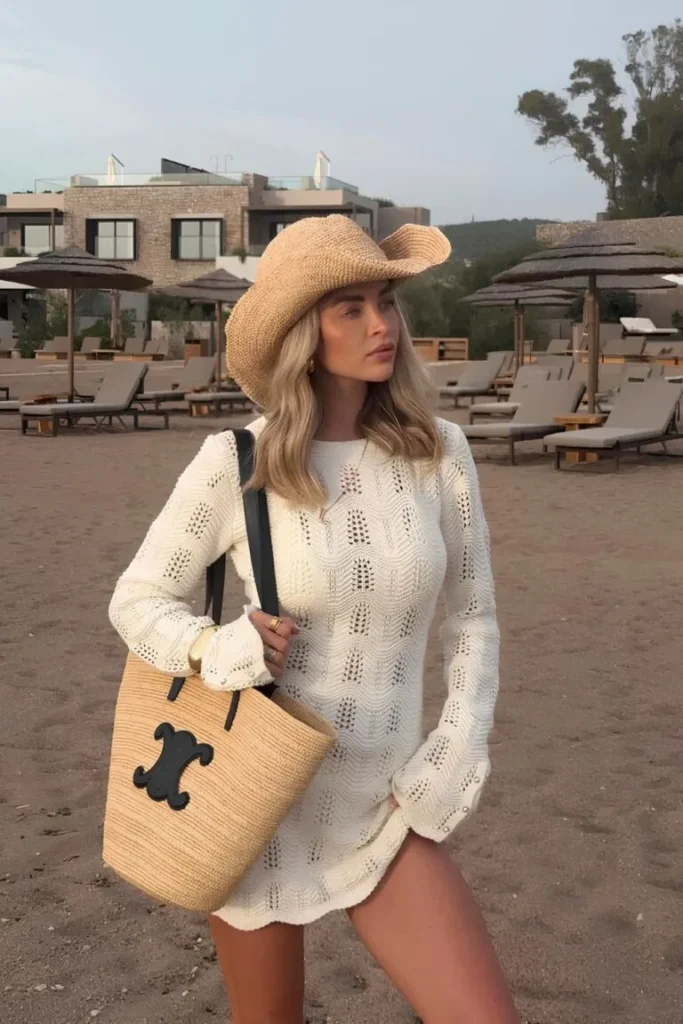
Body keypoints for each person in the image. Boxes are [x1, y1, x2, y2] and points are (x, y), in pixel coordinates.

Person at [108, 215, 517, 1024]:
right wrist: (220, 644)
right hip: (252, 800)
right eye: (350, 308)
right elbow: (136, 599)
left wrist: (454, 746)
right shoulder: (236, 462)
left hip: (385, 801)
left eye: (386, 303)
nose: (381, 327)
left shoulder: (439, 454)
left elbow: (473, 619)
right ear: (305, 332)